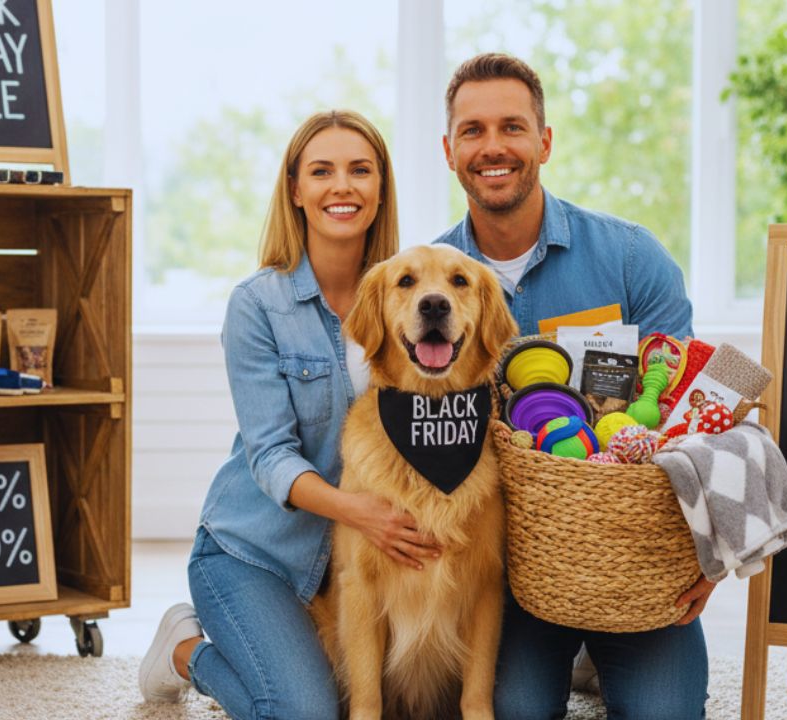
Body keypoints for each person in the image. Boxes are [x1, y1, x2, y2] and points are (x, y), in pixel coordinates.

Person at [435, 53, 712, 719]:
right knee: (510, 711)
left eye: (513, 127)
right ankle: (574, 660)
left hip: (636, 565)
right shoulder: (430, 286)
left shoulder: (630, 257)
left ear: (545, 141)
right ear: (449, 150)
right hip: (509, 574)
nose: (493, 147)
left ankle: (601, 657)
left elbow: (698, 421)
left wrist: (708, 549)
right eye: (473, 131)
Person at [138, 110, 435, 720]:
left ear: (381, 188)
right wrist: (361, 512)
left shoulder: (411, 293)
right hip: (256, 553)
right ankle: (184, 649)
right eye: (321, 171)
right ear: (295, 190)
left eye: (360, 170)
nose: (342, 187)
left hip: (357, 557)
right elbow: (270, 456)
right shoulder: (259, 305)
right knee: (304, 712)